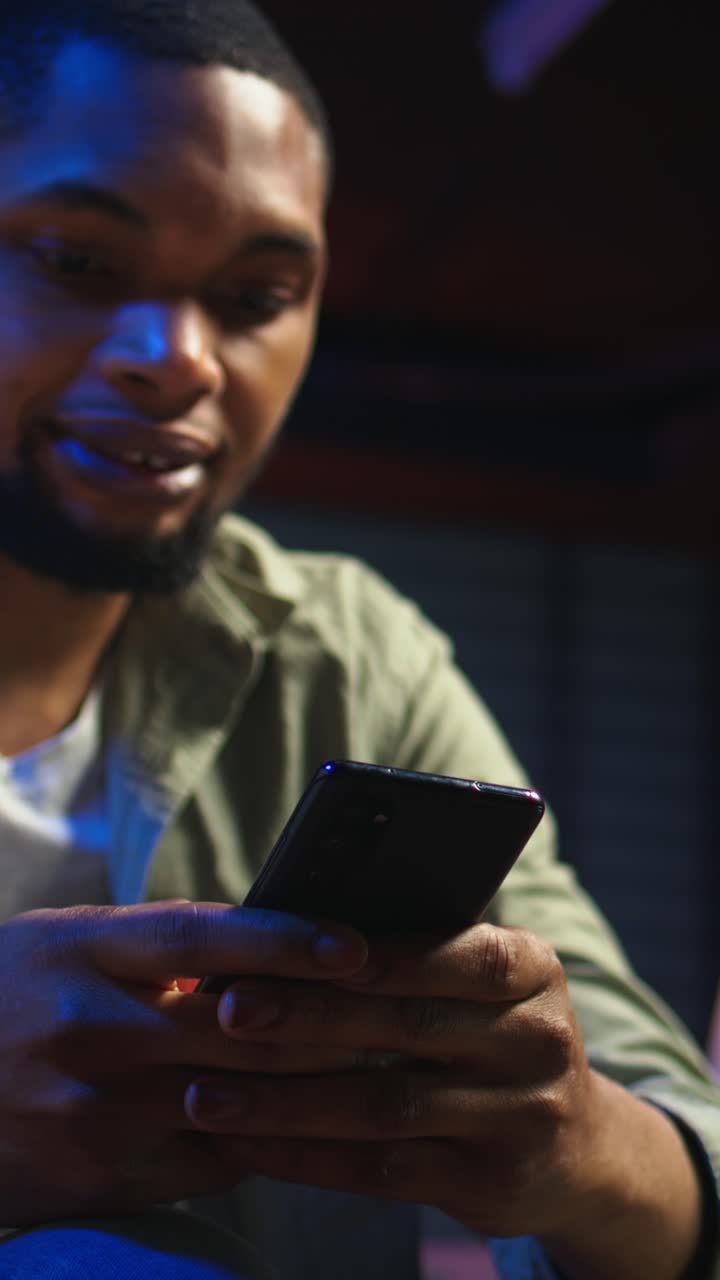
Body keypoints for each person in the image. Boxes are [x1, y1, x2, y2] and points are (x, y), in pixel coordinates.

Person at [0, 3, 717, 1277]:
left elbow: (674, 1150)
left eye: (257, 296)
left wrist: (581, 1143)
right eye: (78, 262)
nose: (181, 361)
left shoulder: (344, 655)